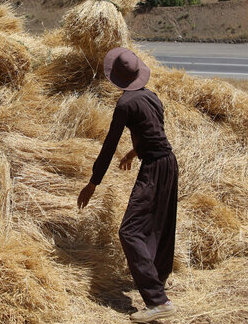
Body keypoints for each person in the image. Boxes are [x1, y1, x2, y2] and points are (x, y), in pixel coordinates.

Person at [77, 47, 178, 323]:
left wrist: (93, 183)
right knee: (159, 226)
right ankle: (157, 281)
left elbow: (109, 146)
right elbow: (155, 131)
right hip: (169, 162)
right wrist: (134, 153)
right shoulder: (151, 97)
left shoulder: (124, 105)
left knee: (130, 231)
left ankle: (158, 301)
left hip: (155, 168)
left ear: (117, 79)